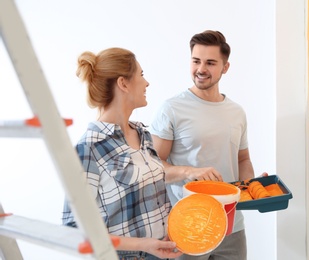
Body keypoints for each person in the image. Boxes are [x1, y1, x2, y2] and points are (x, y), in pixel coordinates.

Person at [150, 30, 264, 260]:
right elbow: (153, 168)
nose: (201, 69)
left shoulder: (236, 112)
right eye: (196, 61)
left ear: (225, 67)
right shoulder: (172, 109)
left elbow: (242, 159)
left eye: (210, 62)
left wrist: (252, 186)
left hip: (232, 226)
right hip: (188, 225)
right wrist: (190, 172)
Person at [62, 47, 182, 260]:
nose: (147, 83)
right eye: (141, 75)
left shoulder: (143, 134)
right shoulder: (89, 148)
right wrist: (142, 245)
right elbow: (74, 231)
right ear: (123, 83)